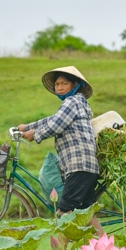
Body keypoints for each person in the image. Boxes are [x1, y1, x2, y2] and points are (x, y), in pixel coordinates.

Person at [18, 66, 104, 235]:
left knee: (64, 213)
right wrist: (27, 127)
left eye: (64, 83)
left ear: (76, 85)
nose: (59, 87)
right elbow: (52, 119)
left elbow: (56, 125)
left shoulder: (73, 102)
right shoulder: (74, 104)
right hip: (84, 167)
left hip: (78, 166)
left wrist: (35, 135)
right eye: (57, 84)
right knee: (87, 215)